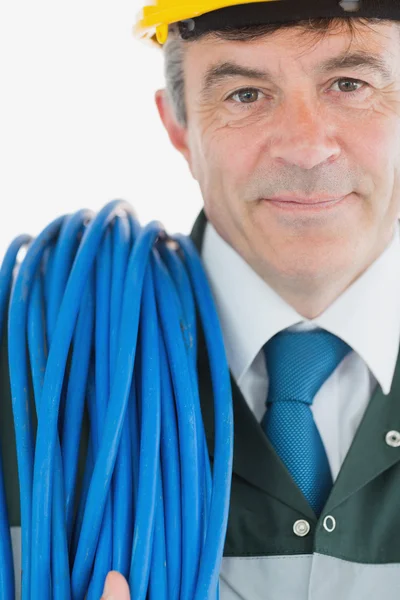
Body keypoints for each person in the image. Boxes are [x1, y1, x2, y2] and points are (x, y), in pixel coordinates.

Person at [99, 0, 400, 597]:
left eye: (349, 83)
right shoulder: (32, 379)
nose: (306, 147)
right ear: (179, 128)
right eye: (245, 94)